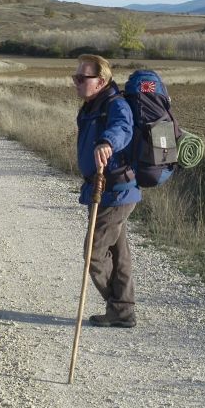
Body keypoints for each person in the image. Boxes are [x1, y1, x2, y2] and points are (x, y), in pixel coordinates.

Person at [73, 53, 139, 328]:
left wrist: (107, 142)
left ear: (100, 81)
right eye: (74, 77)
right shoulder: (93, 105)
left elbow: (123, 127)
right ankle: (122, 311)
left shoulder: (115, 105)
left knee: (94, 253)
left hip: (114, 192)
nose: (75, 82)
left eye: (80, 78)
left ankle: (119, 308)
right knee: (119, 254)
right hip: (109, 190)